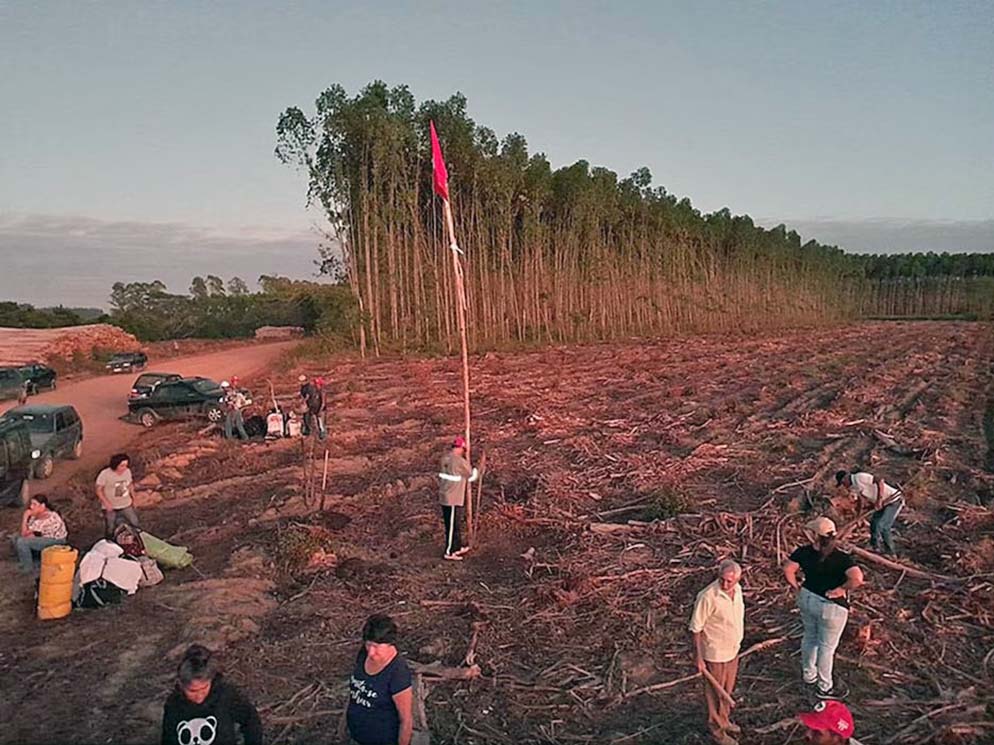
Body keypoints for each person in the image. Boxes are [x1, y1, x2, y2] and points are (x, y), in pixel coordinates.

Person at [783, 517, 864, 700]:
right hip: (830, 606)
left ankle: (809, 675)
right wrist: (841, 589)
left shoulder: (803, 552)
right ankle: (825, 687)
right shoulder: (841, 558)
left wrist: (796, 587)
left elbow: (788, 569)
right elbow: (857, 578)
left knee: (810, 637)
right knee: (827, 648)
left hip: (807, 598)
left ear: (814, 535)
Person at [689, 559, 745, 745]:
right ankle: (717, 732)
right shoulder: (707, 596)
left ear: (737, 579)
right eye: (722, 579)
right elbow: (696, 628)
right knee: (714, 693)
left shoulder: (737, 591)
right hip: (715, 653)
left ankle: (725, 720)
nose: (725, 584)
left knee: (727, 690)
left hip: (732, 650)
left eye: (730, 581)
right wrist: (698, 657)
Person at [162, 644, 263, 745]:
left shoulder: (225, 695)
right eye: (192, 691)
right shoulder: (174, 705)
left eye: (204, 689)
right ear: (181, 685)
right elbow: (168, 739)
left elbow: (251, 720)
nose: (199, 696)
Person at [346, 614, 413, 745]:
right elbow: (355, 693)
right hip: (356, 735)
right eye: (368, 644)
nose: (371, 652)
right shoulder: (363, 654)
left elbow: (406, 719)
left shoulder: (397, 673)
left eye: (376, 647)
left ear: (390, 644)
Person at [835, 470, 905, 555]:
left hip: (893, 500)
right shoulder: (854, 487)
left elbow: (880, 481)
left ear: (845, 478)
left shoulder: (860, 477)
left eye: (843, 483)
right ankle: (876, 548)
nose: (844, 486)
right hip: (881, 503)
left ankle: (891, 552)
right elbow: (861, 500)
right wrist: (858, 516)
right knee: (874, 524)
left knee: (883, 525)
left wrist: (879, 500)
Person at [438, 436, 479, 561]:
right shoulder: (459, 461)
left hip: (445, 495)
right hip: (454, 498)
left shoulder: (444, 458)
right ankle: (449, 551)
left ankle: (457, 547)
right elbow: (471, 476)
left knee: (454, 524)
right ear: (462, 448)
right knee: (452, 526)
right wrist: (477, 469)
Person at [12, 494, 67, 574]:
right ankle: (35, 561)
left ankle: (27, 567)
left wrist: (25, 517)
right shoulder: (37, 515)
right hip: (45, 537)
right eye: (31, 504)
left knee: (22, 541)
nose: (31, 507)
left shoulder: (48, 517)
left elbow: (24, 533)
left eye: (34, 504)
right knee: (15, 537)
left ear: (42, 506)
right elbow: (28, 531)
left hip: (57, 541)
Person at [95, 453, 140, 536]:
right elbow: (99, 490)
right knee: (110, 526)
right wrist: (106, 503)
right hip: (111, 506)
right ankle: (110, 541)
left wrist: (134, 498)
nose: (124, 468)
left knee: (134, 522)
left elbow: (130, 485)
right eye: (122, 466)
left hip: (126, 503)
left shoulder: (127, 472)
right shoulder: (105, 474)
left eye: (126, 465)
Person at [299, 374, 326, 440]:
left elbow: (323, 401)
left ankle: (322, 434)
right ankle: (314, 432)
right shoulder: (313, 389)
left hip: (319, 407)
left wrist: (321, 408)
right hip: (313, 406)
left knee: (320, 421)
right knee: (313, 420)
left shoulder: (321, 391)